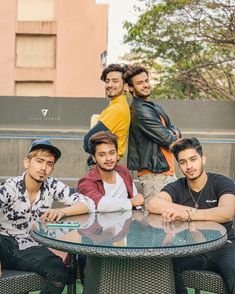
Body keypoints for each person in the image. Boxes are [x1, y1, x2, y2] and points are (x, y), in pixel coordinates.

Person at [0, 139, 95, 294]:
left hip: (30, 247)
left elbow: (88, 204)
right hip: (4, 243)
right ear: (27, 162)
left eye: (49, 164)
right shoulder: (11, 187)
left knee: (59, 272)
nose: (43, 168)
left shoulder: (51, 186)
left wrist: (62, 211)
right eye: (39, 161)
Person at [148, 137, 235, 294]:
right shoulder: (178, 186)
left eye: (193, 159)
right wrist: (184, 211)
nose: (189, 166)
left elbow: (226, 213)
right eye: (183, 162)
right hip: (192, 250)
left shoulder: (222, 182)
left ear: (203, 159)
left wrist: (188, 215)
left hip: (224, 246)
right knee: (163, 267)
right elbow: (153, 204)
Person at [124, 65, 181, 205]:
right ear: (131, 88)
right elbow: (169, 138)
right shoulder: (140, 110)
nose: (145, 85)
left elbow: (173, 128)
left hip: (164, 171)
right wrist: (172, 133)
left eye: (146, 81)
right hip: (155, 175)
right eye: (139, 83)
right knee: (156, 222)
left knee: (167, 220)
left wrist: (172, 131)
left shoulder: (151, 106)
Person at [78, 131, 144, 212]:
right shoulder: (86, 182)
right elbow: (99, 204)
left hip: (126, 222)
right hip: (99, 224)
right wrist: (130, 202)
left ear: (117, 154)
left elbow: (136, 200)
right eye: (102, 155)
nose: (108, 158)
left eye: (112, 153)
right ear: (94, 158)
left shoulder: (123, 172)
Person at [83, 63, 130, 166]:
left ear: (125, 86)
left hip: (107, 166)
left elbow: (88, 142)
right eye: (107, 81)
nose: (109, 85)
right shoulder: (115, 105)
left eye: (115, 81)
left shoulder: (117, 109)